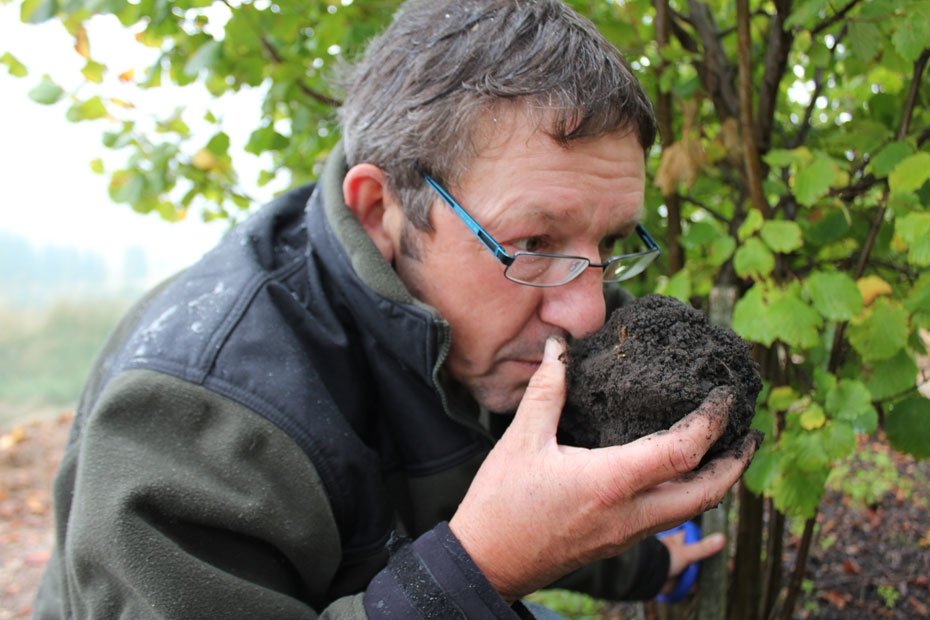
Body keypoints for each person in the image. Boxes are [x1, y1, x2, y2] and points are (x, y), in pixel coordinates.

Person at [33, 1, 758, 618]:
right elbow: (495, 535)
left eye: (609, 241)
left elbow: (533, 501)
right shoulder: (198, 422)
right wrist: (477, 571)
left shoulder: (497, 322)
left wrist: (650, 567)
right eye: (533, 240)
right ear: (382, 209)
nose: (588, 313)